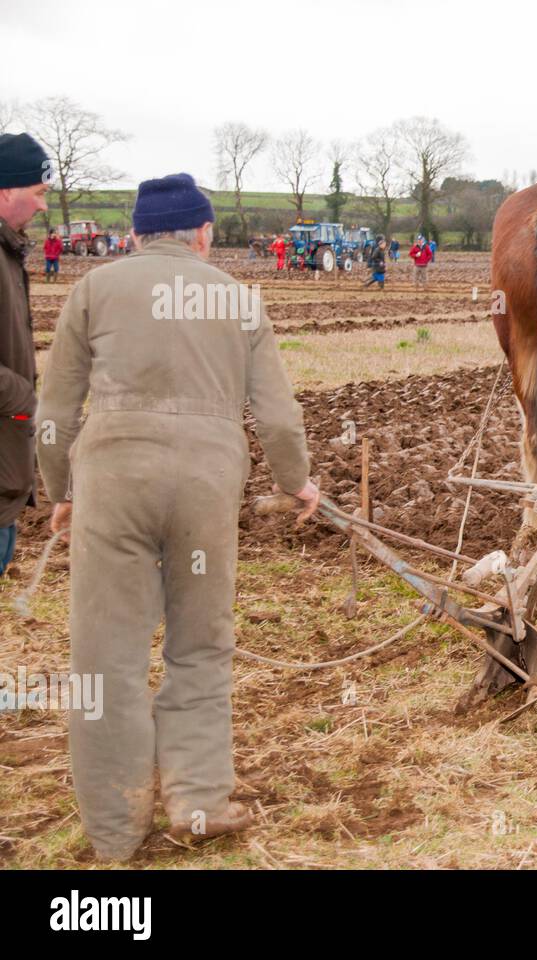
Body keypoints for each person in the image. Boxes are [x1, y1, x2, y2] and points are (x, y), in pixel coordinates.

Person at [35, 172, 319, 861]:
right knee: (199, 644)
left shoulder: (91, 291)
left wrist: (60, 491)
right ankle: (196, 800)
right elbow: (278, 416)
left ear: (134, 235)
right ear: (203, 234)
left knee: (107, 658)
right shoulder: (239, 299)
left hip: (112, 482)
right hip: (205, 484)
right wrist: (298, 481)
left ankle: (115, 830)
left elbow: (52, 414)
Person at [0, 132, 50, 577]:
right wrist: (23, 398)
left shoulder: (8, 251)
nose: (43, 206)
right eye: (38, 193)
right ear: (6, 189)